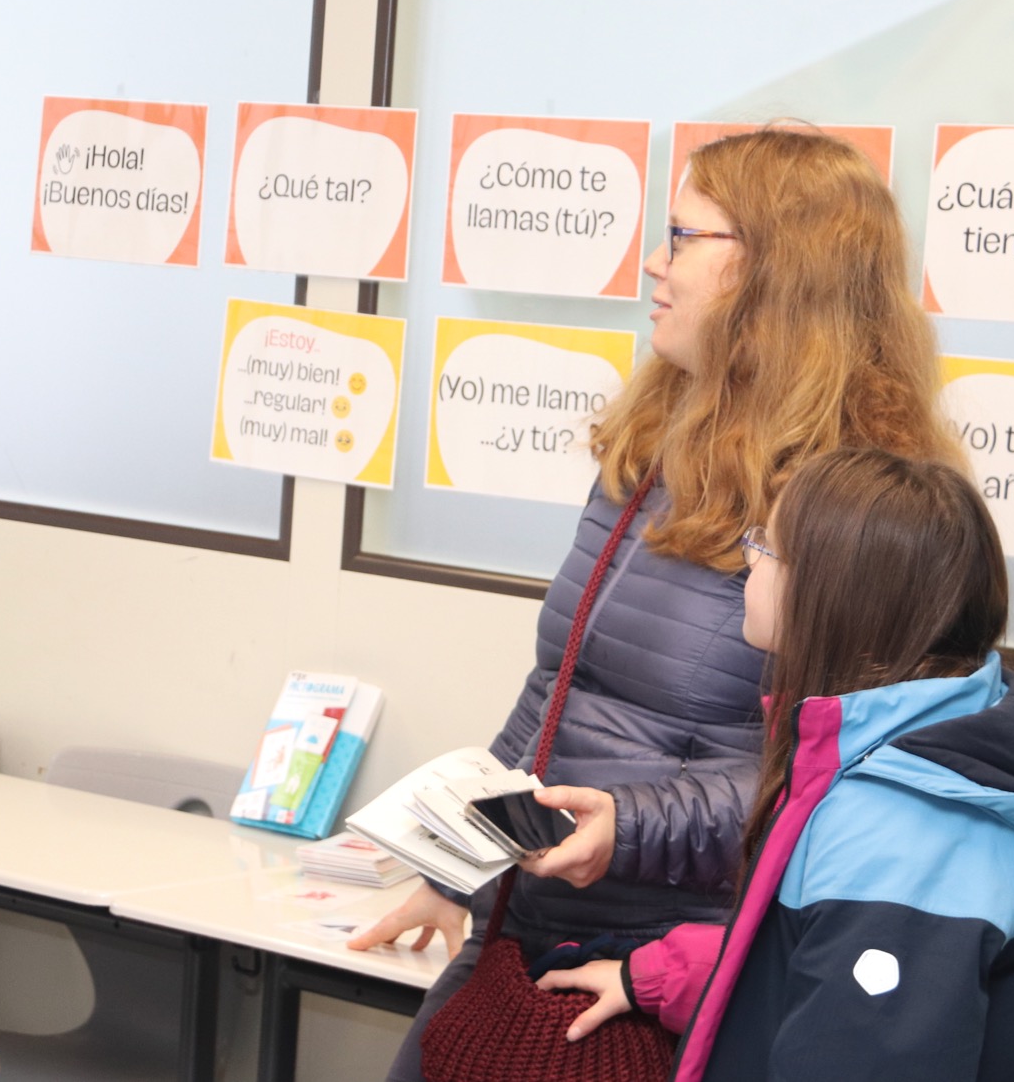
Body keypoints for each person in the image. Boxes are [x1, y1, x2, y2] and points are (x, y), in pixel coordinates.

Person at [349, 126, 961, 1079]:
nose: (654, 263)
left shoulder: (852, 507)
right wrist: (455, 865)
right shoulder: (659, 443)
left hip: (661, 970)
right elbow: (561, 692)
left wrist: (632, 827)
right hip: (525, 924)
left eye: (683, 237)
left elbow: (836, 773)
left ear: (776, 269)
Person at [536, 448, 1014, 1081]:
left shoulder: (902, 835)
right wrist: (666, 974)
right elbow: (825, 964)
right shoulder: (922, 752)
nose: (750, 561)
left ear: (834, 595)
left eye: (767, 547)